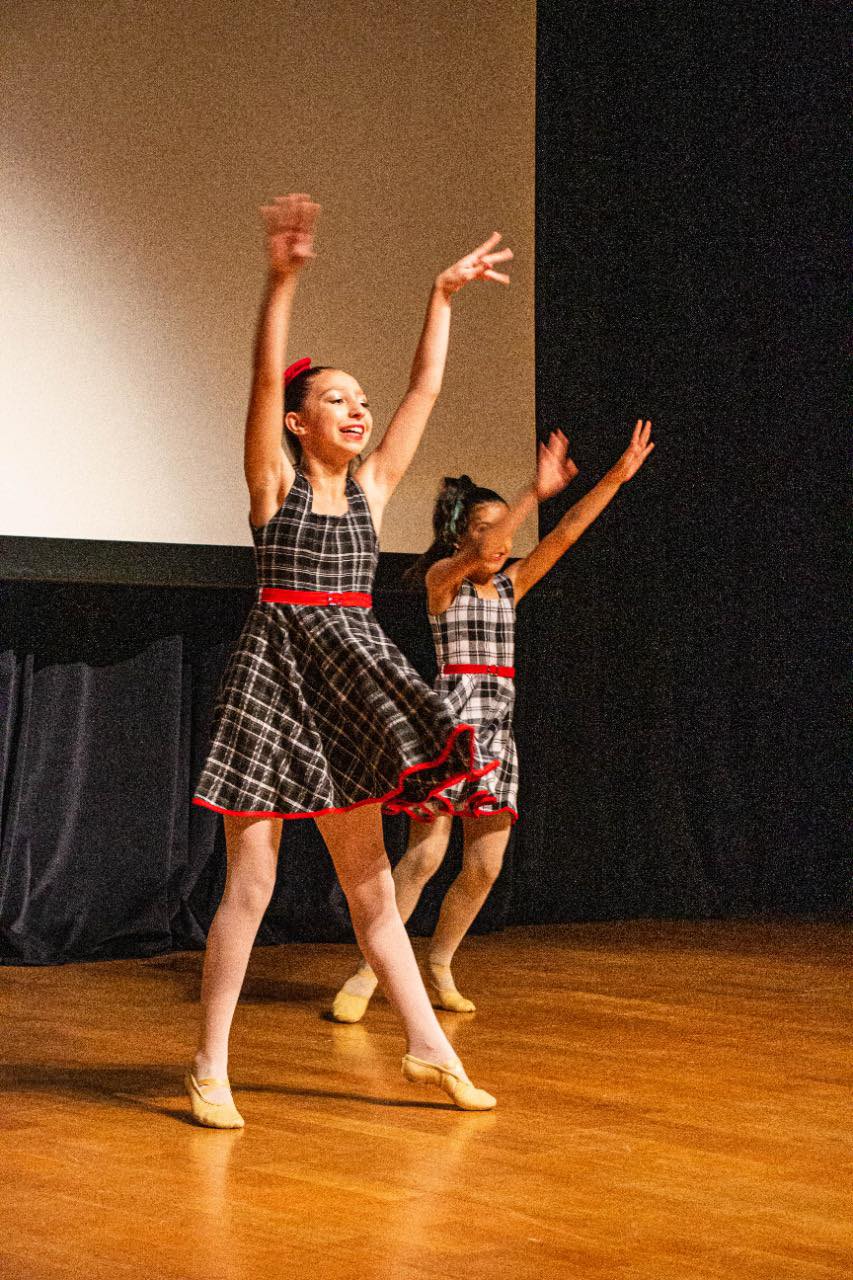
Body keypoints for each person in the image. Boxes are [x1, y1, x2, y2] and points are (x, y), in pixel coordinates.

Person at [187, 193, 514, 1126]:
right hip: (273, 676)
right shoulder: (274, 482)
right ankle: (209, 1067)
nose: (356, 409)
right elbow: (263, 380)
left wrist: (441, 297)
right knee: (250, 884)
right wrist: (280, 281)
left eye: (358, 400)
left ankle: (427, 1048)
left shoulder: (372, 488)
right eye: (335, 399)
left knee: (370, 884)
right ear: (298, 423)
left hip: (347, 683)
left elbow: (423, 394)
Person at [332, 419, 654, 1022]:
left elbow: (567, 531)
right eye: (488, 528)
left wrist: (616, 475)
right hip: (448, 735)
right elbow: (482, 553)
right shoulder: (442, 582)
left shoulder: (510, 588)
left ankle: (440, 962)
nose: (502, 542)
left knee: (485, 867)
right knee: (424, 859)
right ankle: (370, 970)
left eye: (506, 530)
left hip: (497, 739)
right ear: (462, 536)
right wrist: (532, 492)